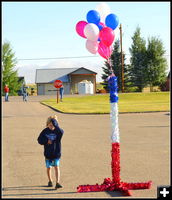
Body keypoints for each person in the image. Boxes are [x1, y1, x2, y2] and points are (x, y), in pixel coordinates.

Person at [37, 115, 64, 189]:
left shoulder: (58, 131)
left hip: (56, 153)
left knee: (56, 167)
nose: (51, 127)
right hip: (48, 154)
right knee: (49, 168)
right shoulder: (45, 131)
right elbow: (39, 140)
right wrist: (46, 141)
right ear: (47, 124)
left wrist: (56, 125)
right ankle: (50, 181)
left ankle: (57, 182)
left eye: (53, 125)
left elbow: (62, 132)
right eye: (50, 125)